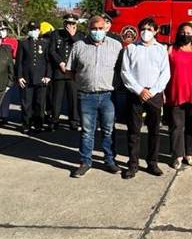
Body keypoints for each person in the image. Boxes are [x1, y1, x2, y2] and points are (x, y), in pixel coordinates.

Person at [66, 15, 123, 177]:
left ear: (106, 28)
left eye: (100, 28)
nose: (97, 32)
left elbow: (121, 70)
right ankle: (85, 161)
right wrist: (83, 82)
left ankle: (110, 160)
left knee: (109, 130)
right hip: (86, 95)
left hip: (108, 96)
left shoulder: (116, 46)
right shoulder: (79, 46)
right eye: (94, 29)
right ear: (89, 29)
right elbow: (70, 71)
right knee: (87, 131)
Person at [120, 17, 171, 179]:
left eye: (149, 29)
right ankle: (133, 164)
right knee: (134, 131)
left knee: (154, 131)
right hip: (136, 94)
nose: (146, 32)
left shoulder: (161, 49)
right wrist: (139, 90)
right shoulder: (131, 49)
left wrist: (153, 90)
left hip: (154, 95)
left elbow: (165, 73)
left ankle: (152, 162)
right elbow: (125, 72)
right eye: (143, 28)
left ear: (156, 31)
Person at [165, 22, 192, 170]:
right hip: (176, 93)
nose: (186, 35)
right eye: (183, 32)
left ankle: (189, 153)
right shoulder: (171, 49)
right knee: (176, 126)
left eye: (189, 32)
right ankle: (177, 155)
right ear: (178, 34)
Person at [48, 13, 84, 131]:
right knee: (56, 98)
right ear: (64, 23)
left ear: (76, 25)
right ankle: (54, 120)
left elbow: (81, 50)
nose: (70, 26)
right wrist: (60, 63)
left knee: (73, 99)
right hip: (59, 71)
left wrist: (73, 36)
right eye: (68, 23)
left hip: (73, 73)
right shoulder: (56, 34)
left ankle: (74, 121)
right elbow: (52, 51)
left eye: (73, 24)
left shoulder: (80, 36)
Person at [16, 21, 52, 134]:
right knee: (26, 103)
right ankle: (26, 124)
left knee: (40, 103)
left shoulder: (44, 43)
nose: (34, 31)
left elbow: (48, 61)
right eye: (31, 30)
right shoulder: (23, 43)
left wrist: (48, 75)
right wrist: (19, 76)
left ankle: (38, 124)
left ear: (39, 30)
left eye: (35, 29)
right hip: (27, 78)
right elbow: (19, 62)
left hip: (41, 78)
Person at [0, 22, 20, 124]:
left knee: (6, 94)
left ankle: (4, 115)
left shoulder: (12, 42)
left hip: (6, 71)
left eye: (4, 30)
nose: (2, 32)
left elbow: (15, 56)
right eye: (0, 30)